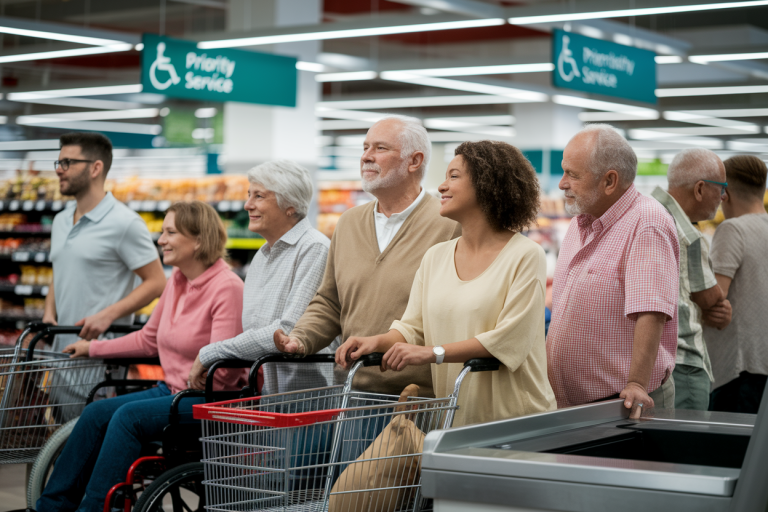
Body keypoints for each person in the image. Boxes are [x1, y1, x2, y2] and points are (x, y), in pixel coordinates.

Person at [37, 201, 246, 512]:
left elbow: (225, 373)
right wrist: (92, 348)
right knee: (96, 414)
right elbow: (149, 339)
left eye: (170, 232)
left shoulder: (227, 287)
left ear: (199, 239)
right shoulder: (177, 279)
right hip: (173, 392)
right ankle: (51, 507)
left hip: (210, 401)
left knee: (128, 417)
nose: (160, 239)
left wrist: (198, 371)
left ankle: (92, 509)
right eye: (162, 231)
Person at [335, 141, 556, 427]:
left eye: (453, 176)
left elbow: (510, 338)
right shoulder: (436, 256)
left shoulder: (525, 255)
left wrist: (433, 353)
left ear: (488, 185)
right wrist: (375, 341)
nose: (441, 186)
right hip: (452, 416)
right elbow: (413, 327)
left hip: (515, 419)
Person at [274, 115, 460, 397]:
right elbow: (330, 302)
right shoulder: (348, 223)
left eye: (380, 149)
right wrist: (300, 340)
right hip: (352, 391)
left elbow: (452, 312)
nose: (366, 157)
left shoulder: (450, 225)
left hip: (417, 398)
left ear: (414, 161)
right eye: (364, 148)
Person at [547, 124, 680, 418]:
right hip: (572, 407)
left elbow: (652, 311)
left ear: (609, 181)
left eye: (573, 174)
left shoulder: (647, 223)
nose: (562, 183)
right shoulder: (578, 224)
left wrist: (637, 383)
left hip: (622, 406)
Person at [187, 160, 335, 394]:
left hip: (306, 403)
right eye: (249, 195)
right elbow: (255, 331)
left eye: (259, 196)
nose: (247, 205)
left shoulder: (315, 249)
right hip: (267, 397)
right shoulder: (262, 256)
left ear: (290, 204)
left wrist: (212, 352)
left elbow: (288, 331)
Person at [45, 132, 166, 348]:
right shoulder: (60, 220)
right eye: (59, 162)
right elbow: (62, 269)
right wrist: (48, 311)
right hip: (60, 351)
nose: (58, 170)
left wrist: (107, 315)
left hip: (100, 354)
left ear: (95, 168)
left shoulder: (125, 222)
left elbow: (156, 282)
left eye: (67, 163)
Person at [651, 148, 731, 410]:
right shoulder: (686, 233)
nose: (723, 197)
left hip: (651, 362)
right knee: (687, 447)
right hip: (682, 362)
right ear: (699, 189)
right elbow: (712, 299)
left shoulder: (645, 212)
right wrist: (720, 305)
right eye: (721, 188)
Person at [705, 155, 768, 414]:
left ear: (724, 193)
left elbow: (714, 298)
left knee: (731, 452)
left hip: (737, 370)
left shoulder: (733, 230)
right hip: (762, 364)